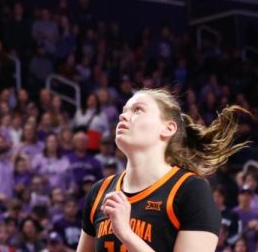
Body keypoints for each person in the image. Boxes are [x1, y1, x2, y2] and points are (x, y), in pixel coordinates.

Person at [77, 89, 247, 252]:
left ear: (168, 128)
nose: (123, 116)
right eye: (124, 110)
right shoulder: (100, 191)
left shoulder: (191, 190)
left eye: (137, 110)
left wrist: (126, 234)